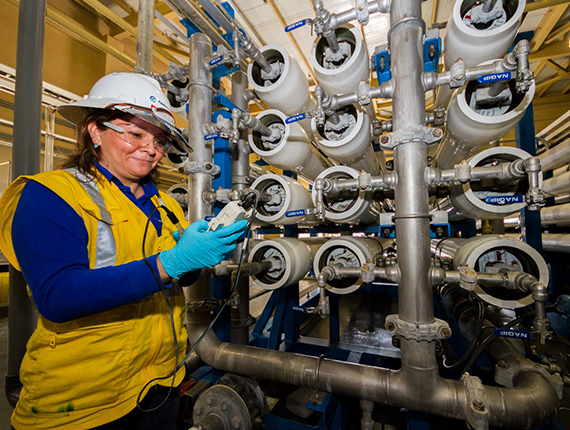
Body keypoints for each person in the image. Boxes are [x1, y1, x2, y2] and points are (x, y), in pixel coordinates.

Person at [0, 72, 248, 430]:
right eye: (135, 134)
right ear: (95, 131)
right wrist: (171, 261)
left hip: (160, 385)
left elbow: (177, 276)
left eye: (160, 141)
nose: (151, 149)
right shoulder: (50, 196)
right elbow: (57, 296)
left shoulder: (165, 206)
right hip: (82, 402)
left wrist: (202, 250)